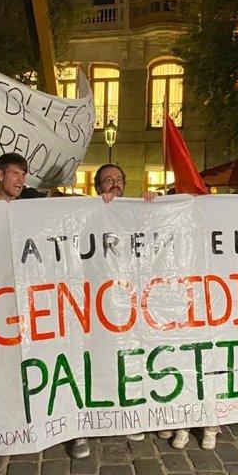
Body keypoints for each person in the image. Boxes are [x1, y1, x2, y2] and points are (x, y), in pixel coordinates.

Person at [70, 164, 160, 459]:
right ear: (97, 187)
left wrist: (152, 204)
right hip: (91, 302)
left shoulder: (137, 209)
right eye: (107, 180)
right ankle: (79, 428)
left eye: (118, 179)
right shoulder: (85, 210)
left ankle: (124, 416)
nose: (114, 184)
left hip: (126, 303)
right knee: (87, 361)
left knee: (124, 359)